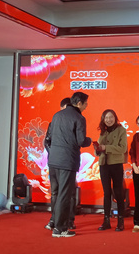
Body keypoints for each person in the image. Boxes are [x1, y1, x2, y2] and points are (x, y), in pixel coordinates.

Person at [43, 92, 92, 238]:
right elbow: (81, 141)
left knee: (57, 194)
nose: (86, 106)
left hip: (53, 160)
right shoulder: (79, 118)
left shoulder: (57, 115)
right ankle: (60, 229)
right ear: (79, 103)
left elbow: (49, 138)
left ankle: (55, 223)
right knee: (64, 195)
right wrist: (90, 141)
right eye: (85, 103)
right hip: (67, 161)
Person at [44, 97, 78, 232]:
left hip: (68, 162)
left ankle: (69, 220)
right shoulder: (54, 122)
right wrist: (55, 154)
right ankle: (54, 219)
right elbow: (47, 142)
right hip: (54, 162)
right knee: (55, 192)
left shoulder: (74, 120)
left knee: (70, 193)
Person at [96, 109, 128, 232]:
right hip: (103, 164)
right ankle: (106, 220)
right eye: (106, 118)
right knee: (106, 192)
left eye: (111, 117)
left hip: (116, 164)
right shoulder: (103, 131)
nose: (108, 120)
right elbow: (100, 148)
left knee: (118, 192)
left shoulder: (121, 130)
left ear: (115, 118)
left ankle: (120, 221)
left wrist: (105, 147)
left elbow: (123, 148)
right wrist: (97, 149)